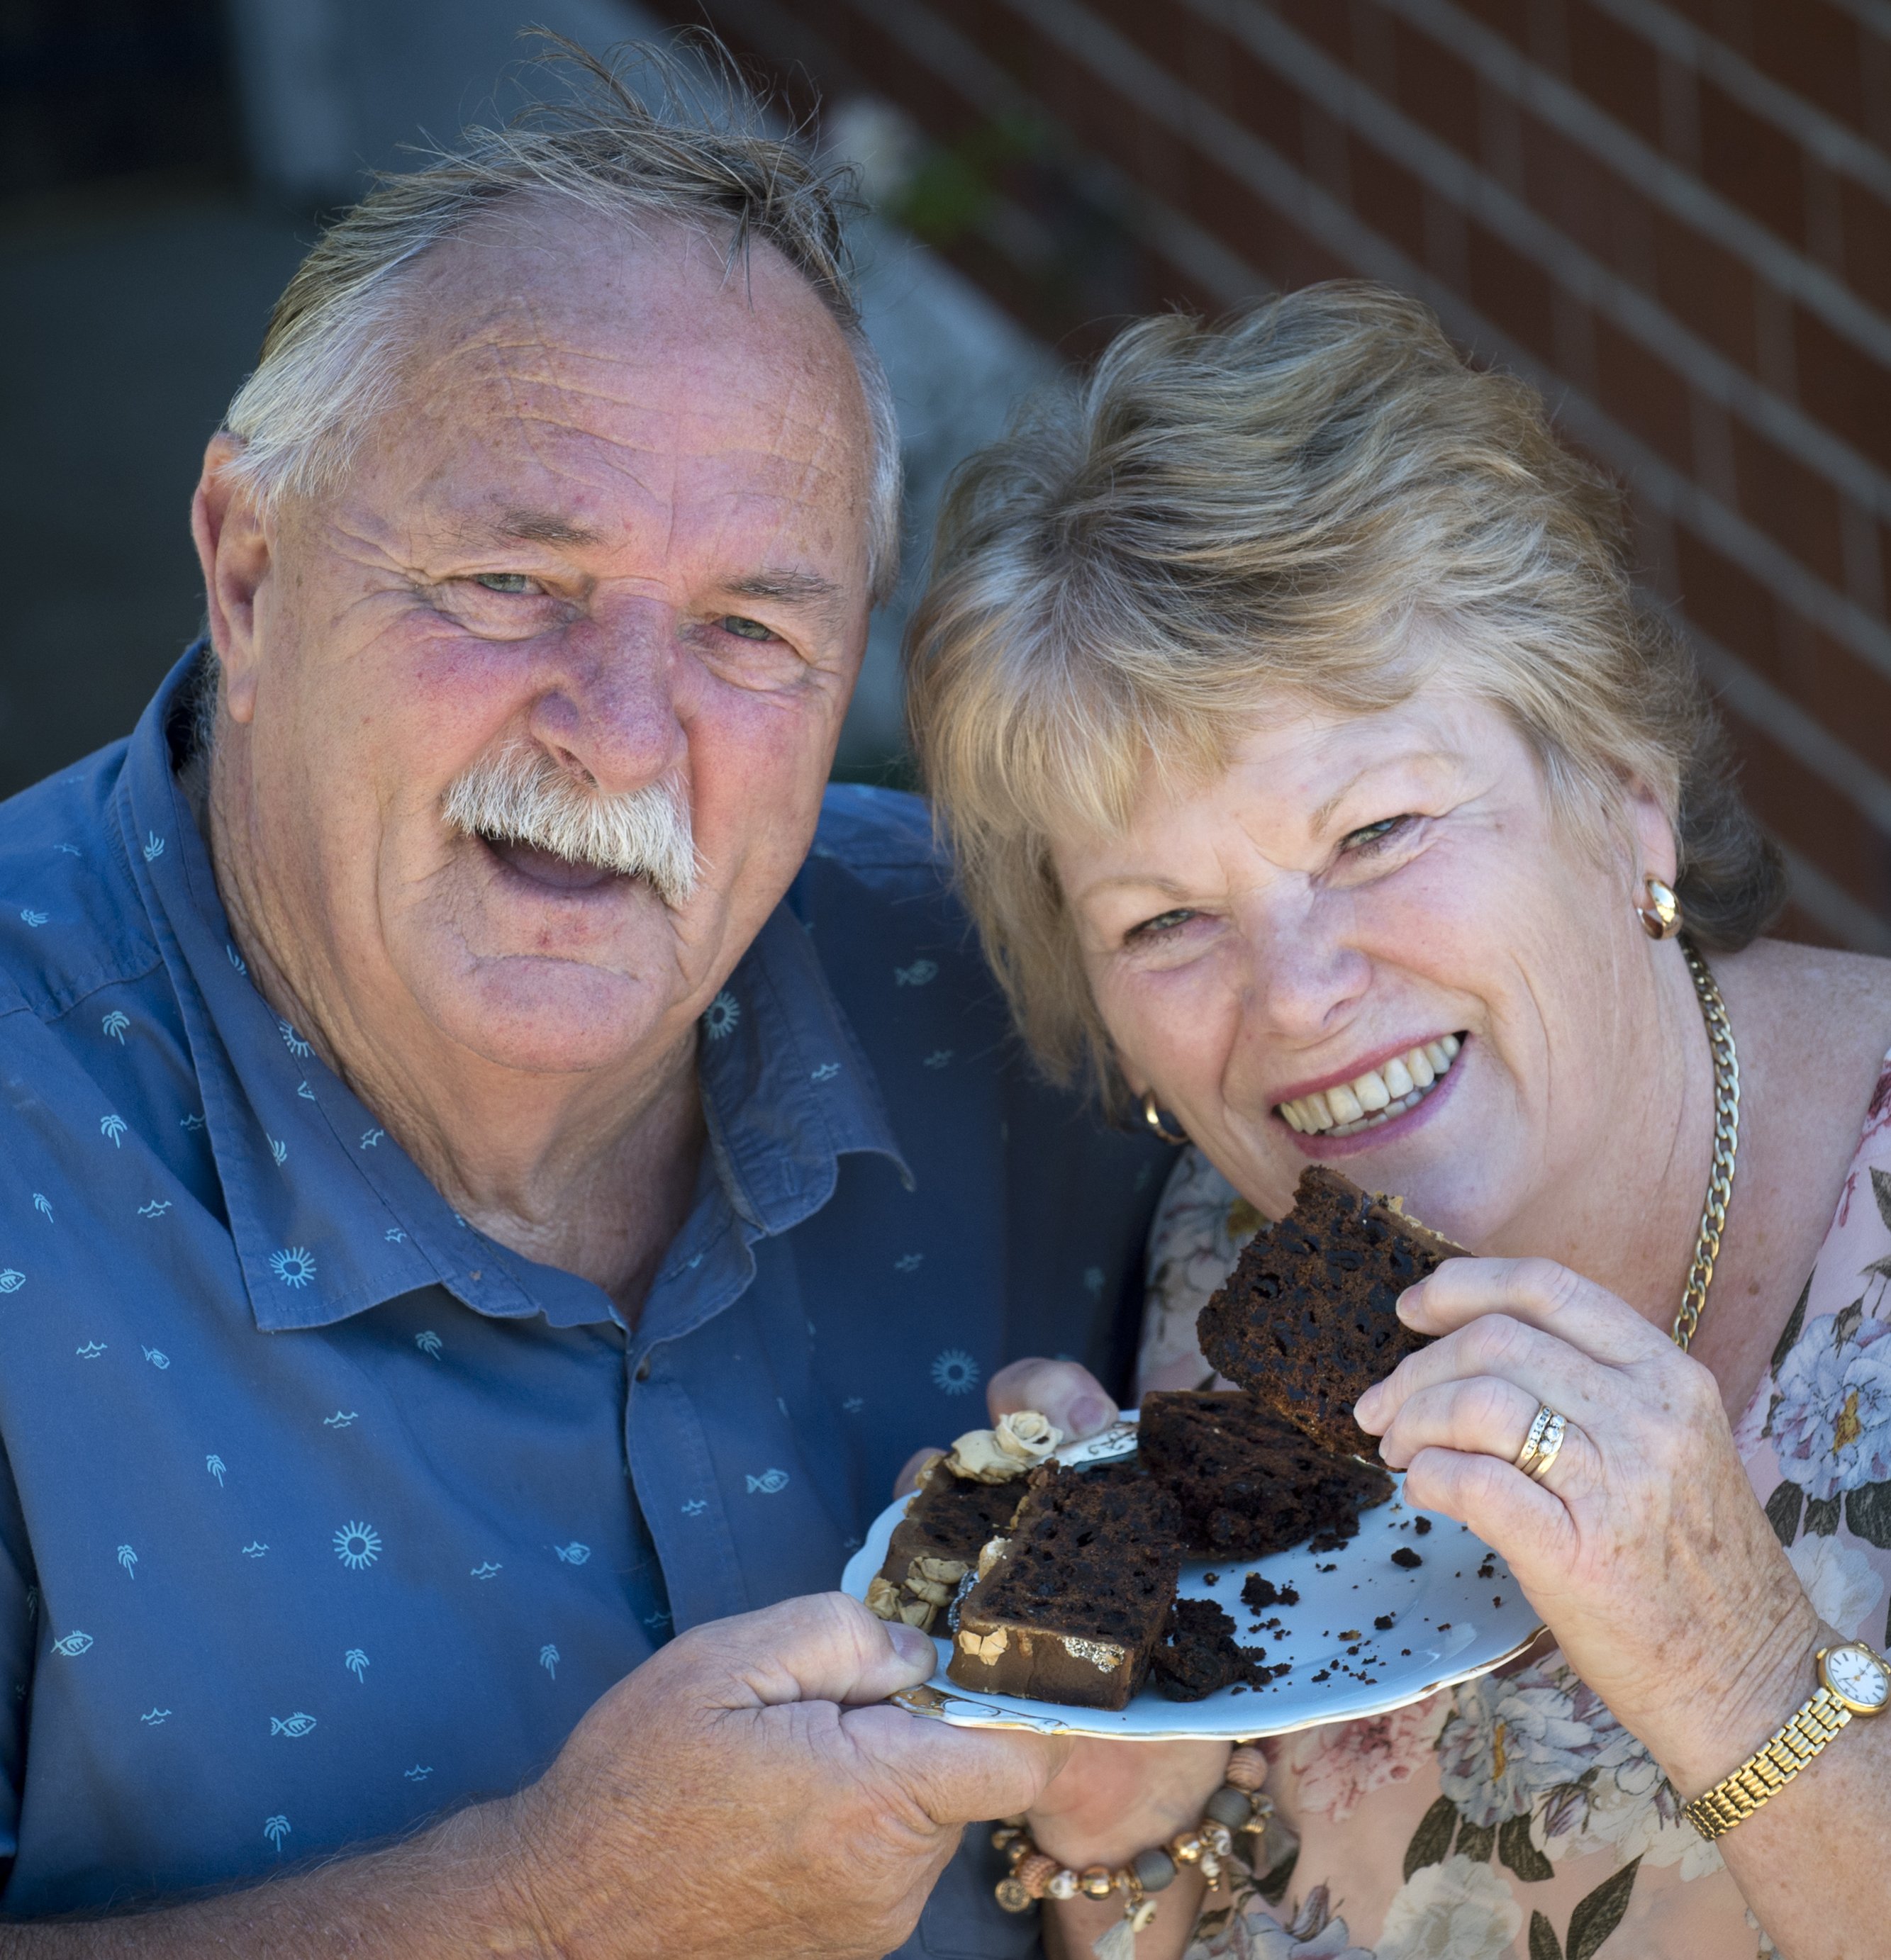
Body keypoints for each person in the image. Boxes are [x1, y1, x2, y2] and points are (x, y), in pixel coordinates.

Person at [0, 45, 1170, 1958]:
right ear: (249, 562)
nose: (623, 729)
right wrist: (554, 1913)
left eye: (747, 631)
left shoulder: (1035, 993)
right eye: (508, 578)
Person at [908, 283, 1891, 1960]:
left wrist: (1737, 1678)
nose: (1292, 995)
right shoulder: (1231, 1262)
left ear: (1620, 797)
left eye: (1375, 831)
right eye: (1162, 924)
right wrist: (1117, 1822)